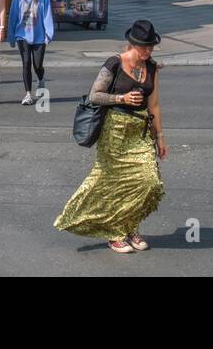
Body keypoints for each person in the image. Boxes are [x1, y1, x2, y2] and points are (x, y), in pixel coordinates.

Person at [55, 19, 167, 253]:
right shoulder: (115, 64)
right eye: (145, 46)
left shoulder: (153, 67)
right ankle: (117, 232)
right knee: (114, 183)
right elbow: (95, 95)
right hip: (114, 132)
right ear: (133, 44)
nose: (149, 50)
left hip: (141, 131)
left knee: (149, 182)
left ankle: (130, 225)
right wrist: (121, 99)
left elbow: (154, 105)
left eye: (151, 46)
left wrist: (160, 137)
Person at [9, 0, 55, 104]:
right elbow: (13, 16)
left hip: (39, 36)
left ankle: (40, 78)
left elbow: (47, 15)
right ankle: (28, 94)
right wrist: (11, 36)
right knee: (26, 63)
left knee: (37, 64)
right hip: (22, 35)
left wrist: (49, 34)